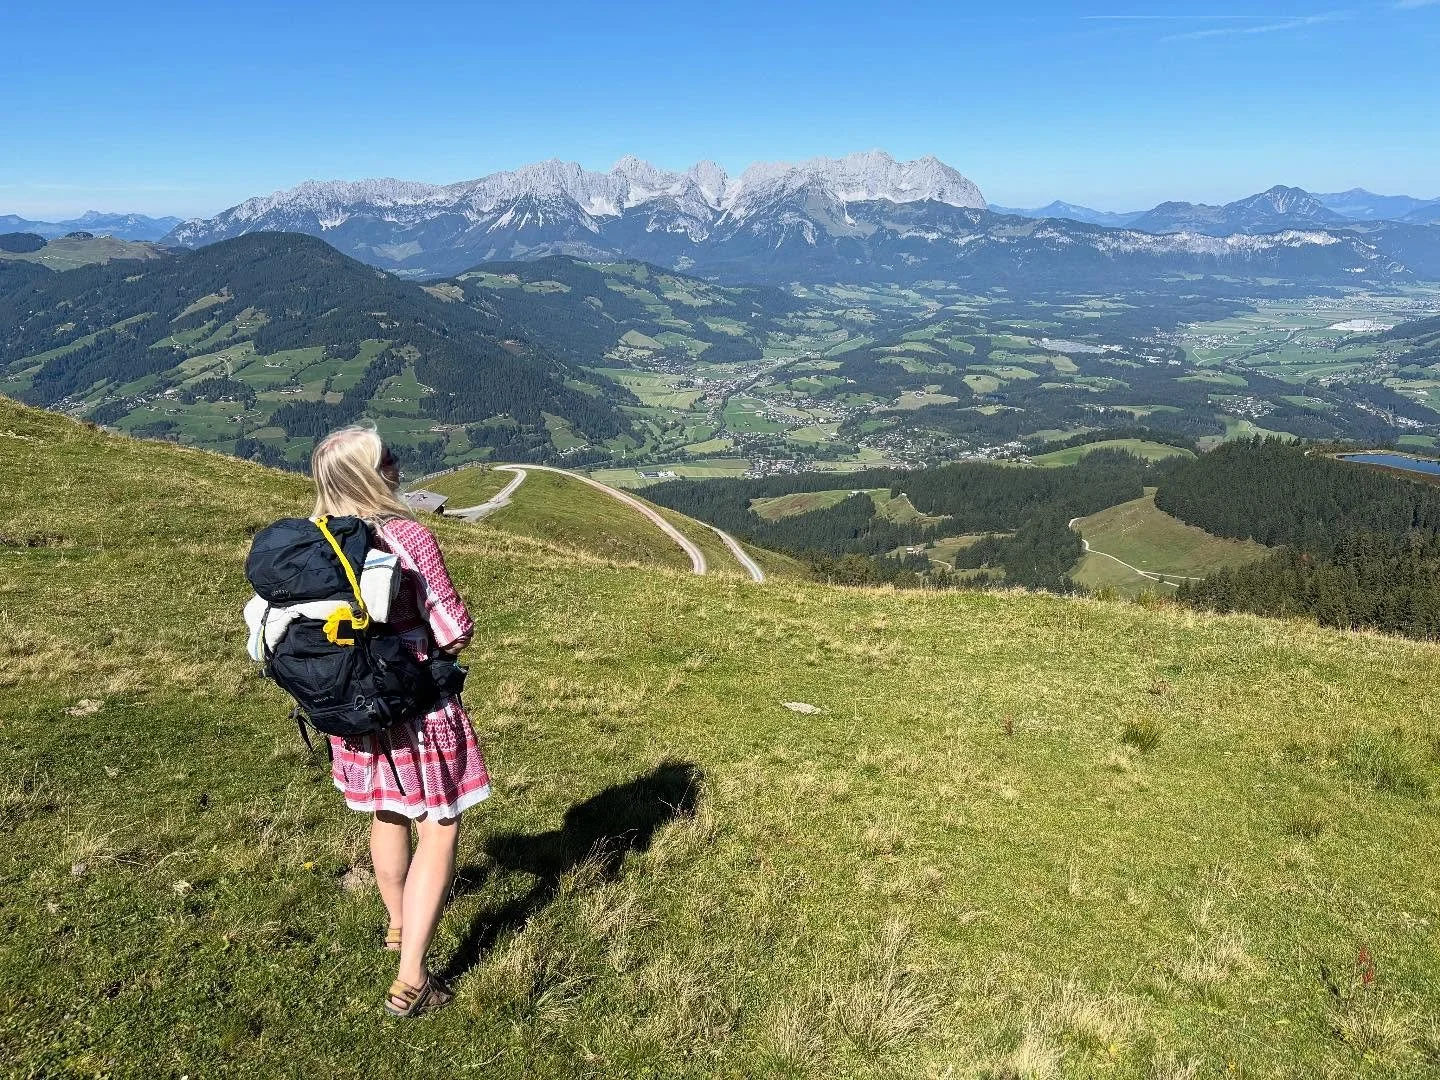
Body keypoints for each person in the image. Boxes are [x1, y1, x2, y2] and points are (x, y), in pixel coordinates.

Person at [309, 423, 491, 1017]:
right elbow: (454, 629)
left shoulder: (315, 541)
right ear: (372, 473)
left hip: (355, 708)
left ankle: (397, 923)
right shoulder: (406, 536)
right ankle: (412, 978)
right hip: (416, 703)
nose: (398, 461)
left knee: (388, 811)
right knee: (439, 824)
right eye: (388, 456)